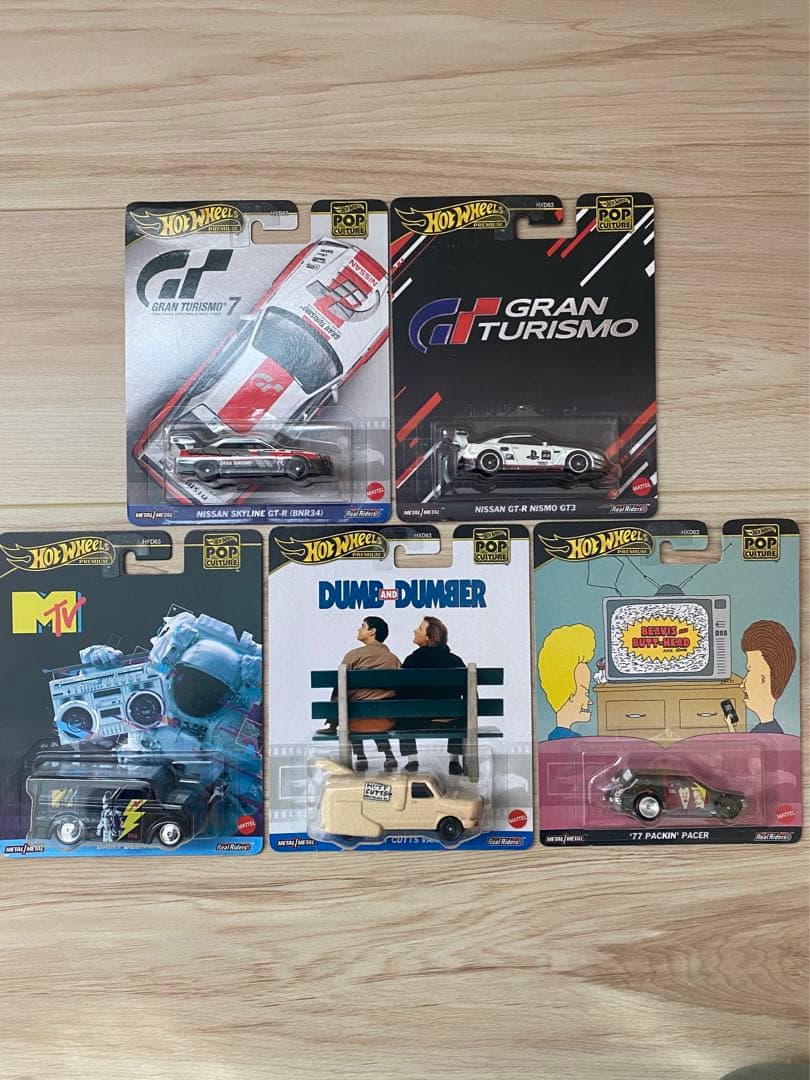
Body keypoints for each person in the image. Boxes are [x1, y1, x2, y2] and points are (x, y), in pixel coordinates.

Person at [317, 616, 401, 771]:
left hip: (355, 722)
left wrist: (333, 723)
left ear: (372, 631)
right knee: (375, 714)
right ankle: (389, 755)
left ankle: (361, 756)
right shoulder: (393, 659)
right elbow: (400, 691)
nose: (358, 629)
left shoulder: (354, 655)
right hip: (385, 720)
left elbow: (339, 689)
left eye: (363, 626)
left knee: (353, 712)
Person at [397, 617, 466, 775]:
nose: (415, 630)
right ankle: (454, 760)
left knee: (401, 712)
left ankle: (412, 760)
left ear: (429, 637)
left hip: (417, 722)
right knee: (462, 711)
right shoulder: (455, 661)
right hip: (451, 722)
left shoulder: (412, 661)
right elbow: (469, 696)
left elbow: (400, 694)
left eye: (420, 628)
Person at [725, 619, 796, 734]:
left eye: (749, 670)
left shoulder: (765, 734)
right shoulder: (770, 729)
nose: (742, 684)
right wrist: (731, 726)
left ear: (764, 679)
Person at [537, 624, 596, 740]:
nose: (590, 701)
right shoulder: (566, 741)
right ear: (569, 695)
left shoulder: (559, 738)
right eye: (585, 693)